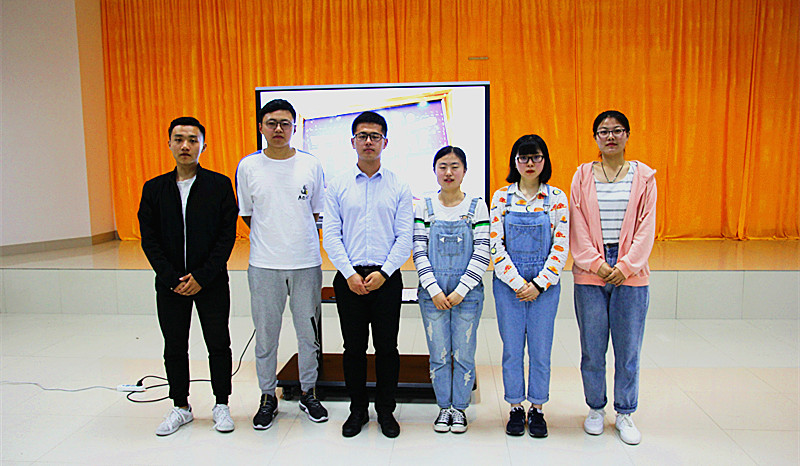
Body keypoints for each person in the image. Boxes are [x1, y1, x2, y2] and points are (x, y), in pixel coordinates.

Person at [138, 116, 238, 436]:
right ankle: (180, 406)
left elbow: (226, 236)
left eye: (193, 140)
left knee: (218, 343)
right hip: (171, 285)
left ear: (203, 146)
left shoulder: (219, 185)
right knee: (175, 345)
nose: (185, 146)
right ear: (169, 143)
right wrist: (172, 278)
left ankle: (221, 404)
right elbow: (149, 239)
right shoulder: (154, 188)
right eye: (179, 139)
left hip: (211, 281)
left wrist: (203, 276)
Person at [236, 99, 328, 430]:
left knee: (308, 335)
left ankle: (308, 392)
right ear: (261, 127)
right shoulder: (248, 166)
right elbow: (248, 214)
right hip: (264, 265)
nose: (278, 129)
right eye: (272, 122)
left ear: (294, 127)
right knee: (266, 335)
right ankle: (267, 396)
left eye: (285, 123)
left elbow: (316, 212)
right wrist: (273, 238)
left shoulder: (310, 164)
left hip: (305, 263)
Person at [322, 111, 413, 438]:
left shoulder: (399, 186)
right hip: (349, 279)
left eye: (375, 136)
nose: (369, 141)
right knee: (353, 348)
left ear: (385, 142)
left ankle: (386, 411)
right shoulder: (338, 185)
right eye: (363, 136)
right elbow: (331, 235)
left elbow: (405, 236)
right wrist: (349, 274)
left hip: (386, 279)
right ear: (353, 142)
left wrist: (385, 273)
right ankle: (357, 410)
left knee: (387, 348)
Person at [570, 110, 656, 445]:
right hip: (590, 273)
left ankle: (625, 412)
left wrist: (626, 266)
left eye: (617, 130)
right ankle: (595, 408)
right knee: (592, 349)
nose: (610, 136)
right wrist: (595, 263)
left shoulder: (644, 177)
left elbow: (646, 227)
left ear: (627, 135)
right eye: (603, 131)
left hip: (630, 273)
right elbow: (578, 225)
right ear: (595, 137)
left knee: (628, 349)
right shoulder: (582, 176)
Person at [490, 134, 569, 438]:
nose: (530, 163)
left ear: (544, 160)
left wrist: (538, 283)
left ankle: (537, 408)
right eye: (523, 157)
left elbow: (561, 246)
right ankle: (515, 406)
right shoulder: (501, 197)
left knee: (540, 350)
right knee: (512, 349)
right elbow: (496, 245)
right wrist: (516, 282)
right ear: (515, 162)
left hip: (544, 289)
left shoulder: (557, 198)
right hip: (508, 287)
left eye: (536, 157)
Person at [413, 146, 490, 433]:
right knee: (439, 354)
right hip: (432, 294)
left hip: (467, 294)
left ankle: (460, 408)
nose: (448, 172)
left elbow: (483, 251)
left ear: (465, 171)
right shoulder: (424, 206)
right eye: (442, 166)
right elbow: (419, 251)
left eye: (455, 166)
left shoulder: (476, 206)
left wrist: (461, 290)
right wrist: (433, 289)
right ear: (434, 171)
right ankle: (443, 407)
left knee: (464, 353)